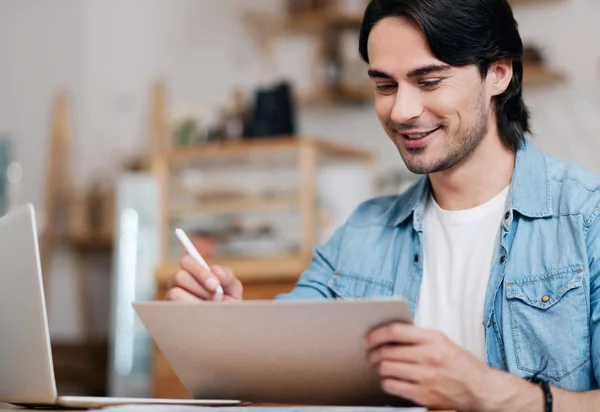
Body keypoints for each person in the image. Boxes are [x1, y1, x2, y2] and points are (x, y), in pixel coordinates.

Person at [166, 0, 600, 410]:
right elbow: (271, 381)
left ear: (499, 73)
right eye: (385, 86)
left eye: (428, 81)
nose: (401, 111)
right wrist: (226, 334)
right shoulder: (362, 234)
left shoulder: (588, 220)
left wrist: (489, 393)